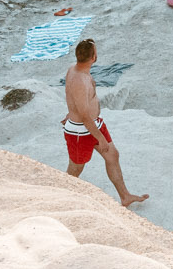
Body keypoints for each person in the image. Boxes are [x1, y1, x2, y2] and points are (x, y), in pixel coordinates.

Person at [63, 38, 148, 208]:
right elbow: (84, 115)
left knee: (113, 155)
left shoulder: (76, 69)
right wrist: (100, 138)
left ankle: (125, 196)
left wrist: (70, 112)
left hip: (93, 125)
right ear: (94, 57)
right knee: (75, 169)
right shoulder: (80, 79)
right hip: (80, 131)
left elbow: (75, 99)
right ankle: (58, 197)